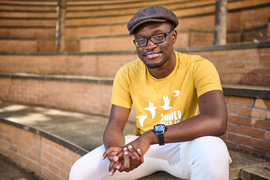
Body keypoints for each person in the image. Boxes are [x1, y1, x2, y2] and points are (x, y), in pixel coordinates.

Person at [69, 5, 232, 180]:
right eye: (141, 40)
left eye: (158, 36)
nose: (150, 45)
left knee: (214, 149)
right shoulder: (127, 73)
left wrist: (151, 136)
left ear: (174, 36)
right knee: (80, 171)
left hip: (184, 145)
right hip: (142, 151)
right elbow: (115, 126)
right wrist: (116, 152)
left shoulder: (199, 67)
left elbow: (217, 121)